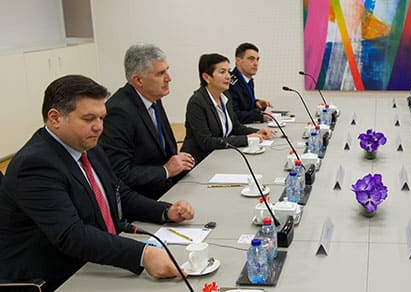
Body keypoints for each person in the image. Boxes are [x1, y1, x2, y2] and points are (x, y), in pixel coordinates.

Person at [0, 75, 195, 290]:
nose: (99, 127)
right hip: (57, 278)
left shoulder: (89, 147)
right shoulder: (35, 165)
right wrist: (142, 254)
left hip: (93, 260)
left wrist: (166, 212)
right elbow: (71, 235)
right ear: (55, 118)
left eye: (101, 118)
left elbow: (119, 194)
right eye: (89, 119)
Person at [100, 44, 195, 200]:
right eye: (160, 73)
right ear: (138, 80)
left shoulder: (153, 98)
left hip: (168, 188)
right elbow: (120, 174)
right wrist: (165, 170)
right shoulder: (119, 112)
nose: (169, 78)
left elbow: (164, 153)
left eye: (167, 70)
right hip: (143, 200)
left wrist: (180, 161)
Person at [181, 53, 274, 163]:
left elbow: (236, 127)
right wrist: (246, 139)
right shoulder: (197, 103)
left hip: (221, 156)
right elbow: (206, 142)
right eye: (222, 72)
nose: (228, 76)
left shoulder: (225, 96)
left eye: (228, 71)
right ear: (206, 77)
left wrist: (258, 131)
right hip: (200, 161)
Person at [227, 43, 273, 124]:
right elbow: (234, 114)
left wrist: (256, 103)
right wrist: (259, 116)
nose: (256, 63)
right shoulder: (229, 83)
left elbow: (243, 105)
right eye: (251, 59)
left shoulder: (248, 80)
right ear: (238, 61)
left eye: (257, 59)